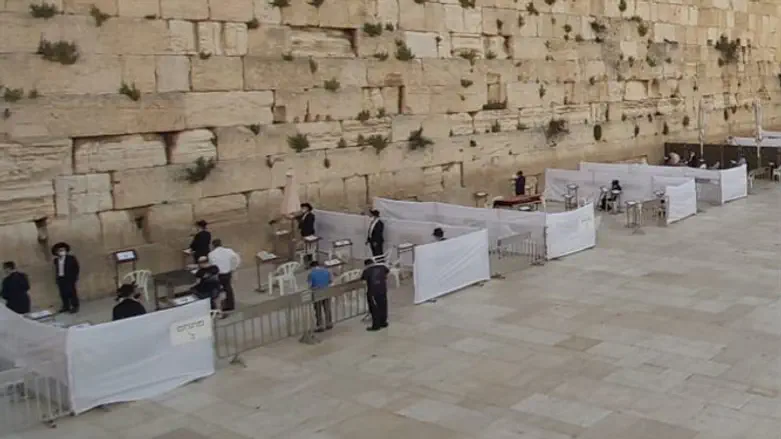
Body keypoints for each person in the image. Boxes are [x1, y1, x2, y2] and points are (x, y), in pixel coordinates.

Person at [208, 239, 241, 312]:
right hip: (227, 273)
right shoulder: (229, 251)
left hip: (218, 274)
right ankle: (230, 305)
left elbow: (211, 265)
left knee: (217, 289)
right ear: (221, 244)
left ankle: (217, 306)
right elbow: (236, 258)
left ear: (213, 245)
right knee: (228, 288)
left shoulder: (211, 254)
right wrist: (234, 268)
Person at [361, 258, 389, 331]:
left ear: (366, 265)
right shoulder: (382, 267)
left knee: (375, 308)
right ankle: (383, 322)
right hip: (383, 290)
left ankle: (376, 326)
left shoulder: (366, 270)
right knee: (383, 305)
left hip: (373, 292)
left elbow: (363, 280)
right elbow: (387, 271)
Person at [52, 242, 80, 314]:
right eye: (59, 250)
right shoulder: (56, 260)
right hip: (61, 278)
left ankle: (75, 306)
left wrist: (74, 277)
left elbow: (76, 268)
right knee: (63, 293)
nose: (61, 252)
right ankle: (66, 306)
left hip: (69, 278)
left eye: (62, 250)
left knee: (72, 292)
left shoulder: (71, 258)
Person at [307, 261, 333, 332]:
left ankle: (320, 326)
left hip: (317, 293)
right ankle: (329, 323)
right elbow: (330, 281)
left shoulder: (311, 274)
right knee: (327, 308)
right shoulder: (327, 271)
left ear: (312, 267)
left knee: (318, 310)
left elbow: (309, 286)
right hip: (327, 291)